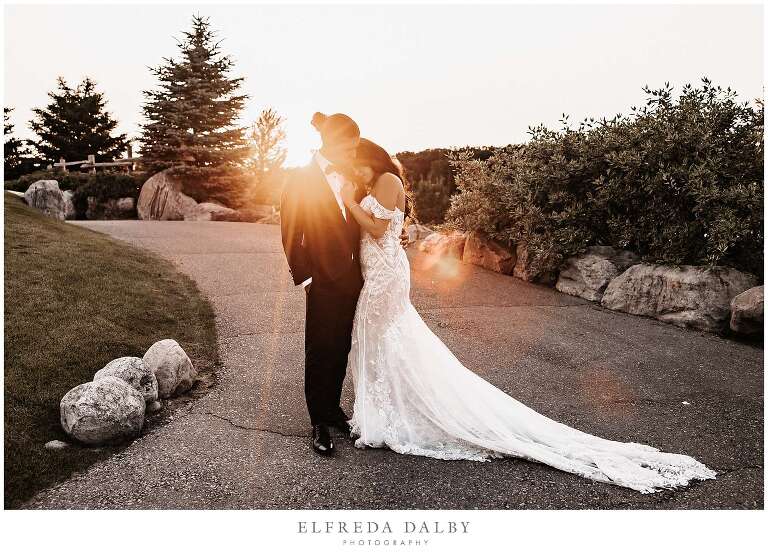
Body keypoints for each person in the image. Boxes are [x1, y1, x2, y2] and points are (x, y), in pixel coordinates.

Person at [337, 137, 717, 494]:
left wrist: (349, 204)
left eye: (355, 163)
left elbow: (377, 227)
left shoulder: (386, 179)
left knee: (385, 334)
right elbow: (390, 229)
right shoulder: (373, 187)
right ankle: (385, 410)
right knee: (379, 338)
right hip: (378, 270)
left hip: (386, 275)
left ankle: (393, 414)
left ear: (369, 159)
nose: (353, 170)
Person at [279, 113, 408, 456]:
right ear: (331, 144)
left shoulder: (351, 174)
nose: (353, 155)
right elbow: (291, 233)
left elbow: (373, 218)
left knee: (342, 346)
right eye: (348, 148)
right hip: (321, 279)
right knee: (320, 348)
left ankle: (334, 409)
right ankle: (318, 421)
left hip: (357, 279)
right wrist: (306, 278)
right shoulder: (300, 179)